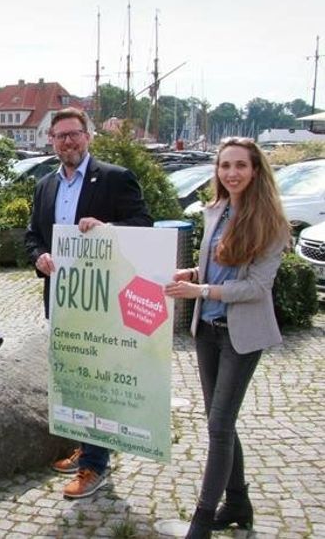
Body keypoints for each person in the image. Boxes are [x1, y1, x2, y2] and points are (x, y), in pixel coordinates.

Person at [164, 137, 290, 538]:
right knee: (220, 422)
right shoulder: (215, 211)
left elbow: (256, 287)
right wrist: (192, 275)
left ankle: (202, 520)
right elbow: (218, 270)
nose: (232, 173)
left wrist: (200, 290)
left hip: (241, 337)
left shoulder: (271, 223)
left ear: (255, 171)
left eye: (240, 165)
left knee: (219, 426)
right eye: (225, 166)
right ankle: (237, 502)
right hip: (207, 331)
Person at [24, 108, 152, 499]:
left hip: (104, 298)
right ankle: (87, 445)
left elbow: (143, 225)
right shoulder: (45, 185)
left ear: (88, 136)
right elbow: (32, 236)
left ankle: (95, 464)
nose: (68, 141)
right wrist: (39, 257)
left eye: (74, 133)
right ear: (51, 141)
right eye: (60, 135)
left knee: (98, 378)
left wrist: (107, 229)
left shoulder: (114, 178)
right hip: (63, 297)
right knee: (75, 377)